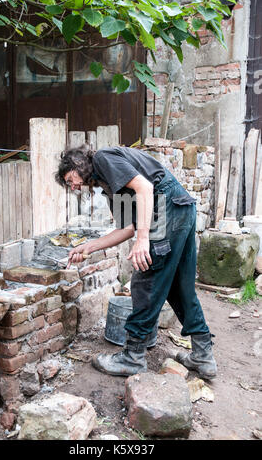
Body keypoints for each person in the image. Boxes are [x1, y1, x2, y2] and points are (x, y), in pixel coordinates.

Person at [55, 144, 217, 380]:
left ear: (79, 164)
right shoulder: (110, 186)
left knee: (146, 278)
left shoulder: (102, 159)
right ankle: (203, 354)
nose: (73, 186)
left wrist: (144, 239)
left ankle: (133, 357)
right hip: (180, 208)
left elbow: (144, 187)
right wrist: (87, 247)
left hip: (166, 206)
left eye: (71, 179)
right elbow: (126, 229)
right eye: (69, 184)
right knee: (179, 286)